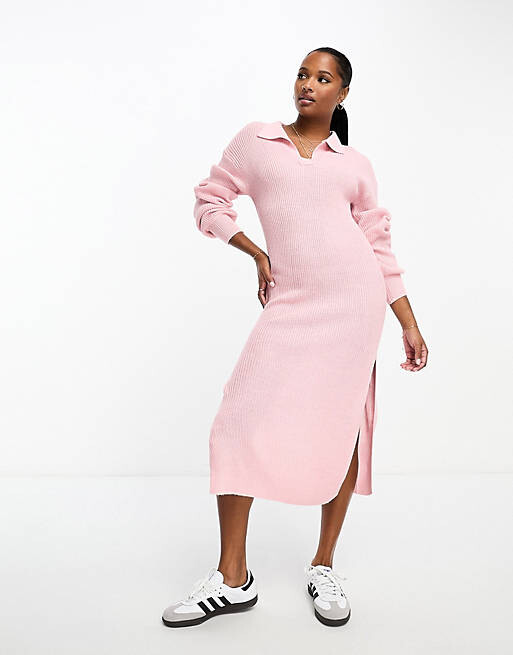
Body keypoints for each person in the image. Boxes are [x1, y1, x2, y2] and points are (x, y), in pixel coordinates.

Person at [162, 46, 428, 629]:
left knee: (342, 425)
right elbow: (209, 201)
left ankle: (323, 564)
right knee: (237, 419)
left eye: (323, 78)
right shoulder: (257, 142)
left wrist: (407, 321)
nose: (308, 84)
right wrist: (254, 251)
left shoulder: (354, 164)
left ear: (343, 93)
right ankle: (232, 578)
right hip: (290, 302)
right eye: (303, 74)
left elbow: (379, 247)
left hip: (354, 307)